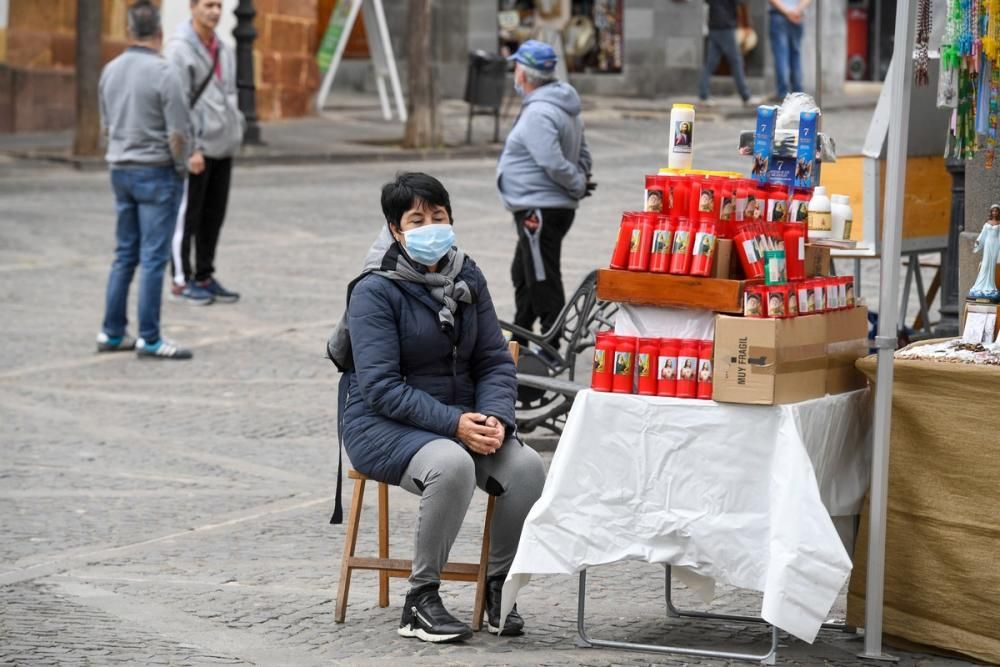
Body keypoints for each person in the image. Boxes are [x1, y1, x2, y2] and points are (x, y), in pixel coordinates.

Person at [341, 173, 547, 643]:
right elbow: (381, 387)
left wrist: (495, 416)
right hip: (382, 424)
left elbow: (494, 360)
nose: (431, 225)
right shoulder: (374, 289)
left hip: (463, 420)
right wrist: (455, 425)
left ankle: (497, 589)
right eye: (418, 219)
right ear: (396, 229)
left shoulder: (466, 275)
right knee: (452, 464)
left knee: (528, 466)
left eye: (438, 216)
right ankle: (420, 600)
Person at [96, 0, 192, 360]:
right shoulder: (165, 73)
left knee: (124, 254)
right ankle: (149, 337)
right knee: (153, 258)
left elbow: (105, 125)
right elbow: (177, 134)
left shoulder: (110, 70)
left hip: (120, 167)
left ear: (130, 31)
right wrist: (180, 168)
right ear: (160, 32)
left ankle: (111, 330)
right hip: (155, 170)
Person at [497, 39, 594, 347]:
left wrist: (576, 183)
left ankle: (552, 341)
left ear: (523, 74)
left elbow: (552, 161)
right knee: (523, 271)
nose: (514, 73)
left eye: (516, 67)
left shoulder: (540, 111)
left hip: (539, 208)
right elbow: (583, 153)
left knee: (541, 274)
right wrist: (579, 177)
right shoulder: (561, 105)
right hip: (544, 205)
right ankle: (520, 333)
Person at [166, 0, 245, 305]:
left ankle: (204, 275)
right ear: (193, 7)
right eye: (208, 4)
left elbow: (230, 94)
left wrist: (234, 129)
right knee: (187, 217)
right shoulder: (179, 50)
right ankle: (181, 280)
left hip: (222, 145)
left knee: (213, 216)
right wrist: (190, 149)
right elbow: (177, 104)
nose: (214, 11)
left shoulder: (223, 48)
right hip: (196, 149)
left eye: (218, 5)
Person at [699, 0, 759, 106]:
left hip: (714, 27)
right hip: (726, 27)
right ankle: (746, 96)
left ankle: (703, 95)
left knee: (710, 63)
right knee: (736, 62)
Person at [768, 0, 810, 101]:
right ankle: (797, 92)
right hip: (797, 16)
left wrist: (788, 12)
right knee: (795, 56)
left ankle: (783, 92)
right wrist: (796, 11)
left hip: (779, 15)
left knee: (781, 55)